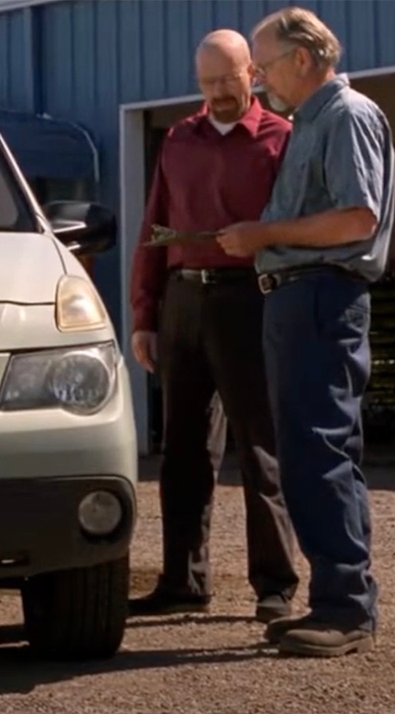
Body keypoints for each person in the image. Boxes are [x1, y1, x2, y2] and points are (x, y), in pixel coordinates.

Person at [218, 6, 395, 658]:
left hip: (322, 297)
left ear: (302, 57)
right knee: (303, 455)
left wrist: (262, 234)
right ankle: (332, 601)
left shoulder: (347, 117)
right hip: (298, 300)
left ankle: (346, 609)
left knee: (321, 454)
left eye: (263, 67)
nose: (259, 82)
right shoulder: (310, 123)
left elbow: (355, 218)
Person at [127, 29, 299, 624]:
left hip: (251, 302)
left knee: (261, 449)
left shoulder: (283, 140)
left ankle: (275, 587)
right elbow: (154, 227)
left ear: (252, 73)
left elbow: (295, 230)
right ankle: (183, 579)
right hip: (183, 305)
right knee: (183, 451)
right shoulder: (178, 139)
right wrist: (144, 317)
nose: (220, 93)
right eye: (208, 83)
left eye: (229, 79)